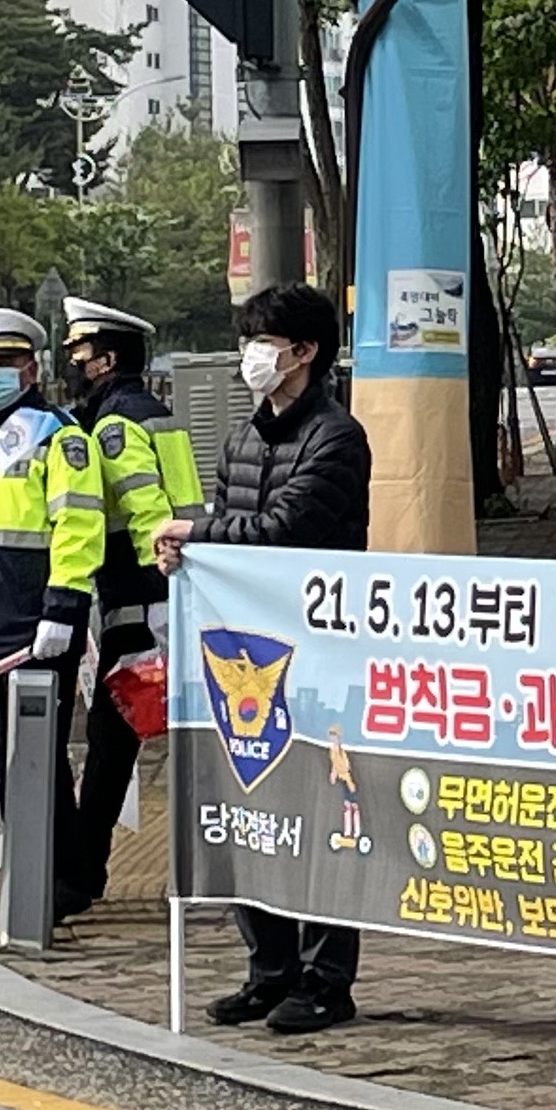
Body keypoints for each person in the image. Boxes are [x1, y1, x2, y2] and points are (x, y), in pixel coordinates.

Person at [156, 281, 373, 1034]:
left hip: (317, 659)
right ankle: (269, 969)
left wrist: (198, 535)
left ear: (303, 352)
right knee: (250, 813)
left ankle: (324, 981)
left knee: (320, 818)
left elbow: (286, 531)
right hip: (243, 657)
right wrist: (189, 545)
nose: (253, 356)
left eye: (264, 342)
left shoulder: (337, 438)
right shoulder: (244, 437)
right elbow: (223, 521)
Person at [0, 308, 109, 875]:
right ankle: (34, 882)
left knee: (36, 766)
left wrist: (63, 609)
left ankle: (49, 888)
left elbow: (78, 528)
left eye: (2, 363)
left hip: (34, 633)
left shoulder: (59, 438)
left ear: (30, 369)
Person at [49, 296, 200, 926]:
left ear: (106, 360)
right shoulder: (154, 413)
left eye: (80, 356)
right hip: (172, 596)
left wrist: (151, 605)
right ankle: (83, 872)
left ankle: (80, 878)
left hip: (141, 604)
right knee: (129, 746)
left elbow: (147, 513)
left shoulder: (113, 426)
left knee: (112, 748)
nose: (73, 366)